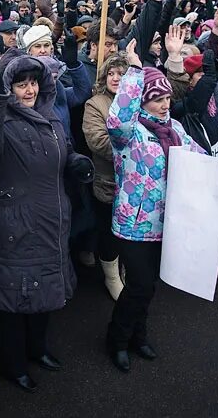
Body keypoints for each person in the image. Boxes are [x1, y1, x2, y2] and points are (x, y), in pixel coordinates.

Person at [0, 51, 93, 393]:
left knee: (44, 295)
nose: (29, 90)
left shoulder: (51, 119)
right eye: (20, 84)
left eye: (33, 82)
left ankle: (37, 350)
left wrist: (77, 162)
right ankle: (11, 365)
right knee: (13, 301)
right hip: (13, 227)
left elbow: (65, 149)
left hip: (51, 223)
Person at [105, 40, 205, 373]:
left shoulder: (174, 130)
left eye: (166, 99)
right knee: (140, 285)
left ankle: (139, 336)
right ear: (142, 102)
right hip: (133, 225)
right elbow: (117, 119)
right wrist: (135, 71)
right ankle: (117, 341)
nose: (165, 105)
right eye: (157, 99)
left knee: (149, 286)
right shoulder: (129, 134)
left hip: (166, 223)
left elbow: (200, 161)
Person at [82, 52, 129, 299]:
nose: (115, 78)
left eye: (121, 73)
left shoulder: (137, 100)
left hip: (136, 183)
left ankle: (125, 268)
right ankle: (111, 274)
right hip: (109, 182)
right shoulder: (95, 104)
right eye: (111, 73)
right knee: (109, 232)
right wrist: (136, 149)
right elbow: (97, 141)